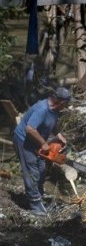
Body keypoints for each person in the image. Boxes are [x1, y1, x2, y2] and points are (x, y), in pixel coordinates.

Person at [13, 87, 72, 215]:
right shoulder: (42, 109)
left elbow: (53, 122)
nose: (66, 106)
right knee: (31, 172)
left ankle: (37, 196)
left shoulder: (55, 109)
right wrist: (44, 143)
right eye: (66, 103)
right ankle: (35, 204)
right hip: (24, 141)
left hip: (35, 143)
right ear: (61, 102)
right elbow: (30, 129)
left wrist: (58, 134)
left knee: (41, 169)